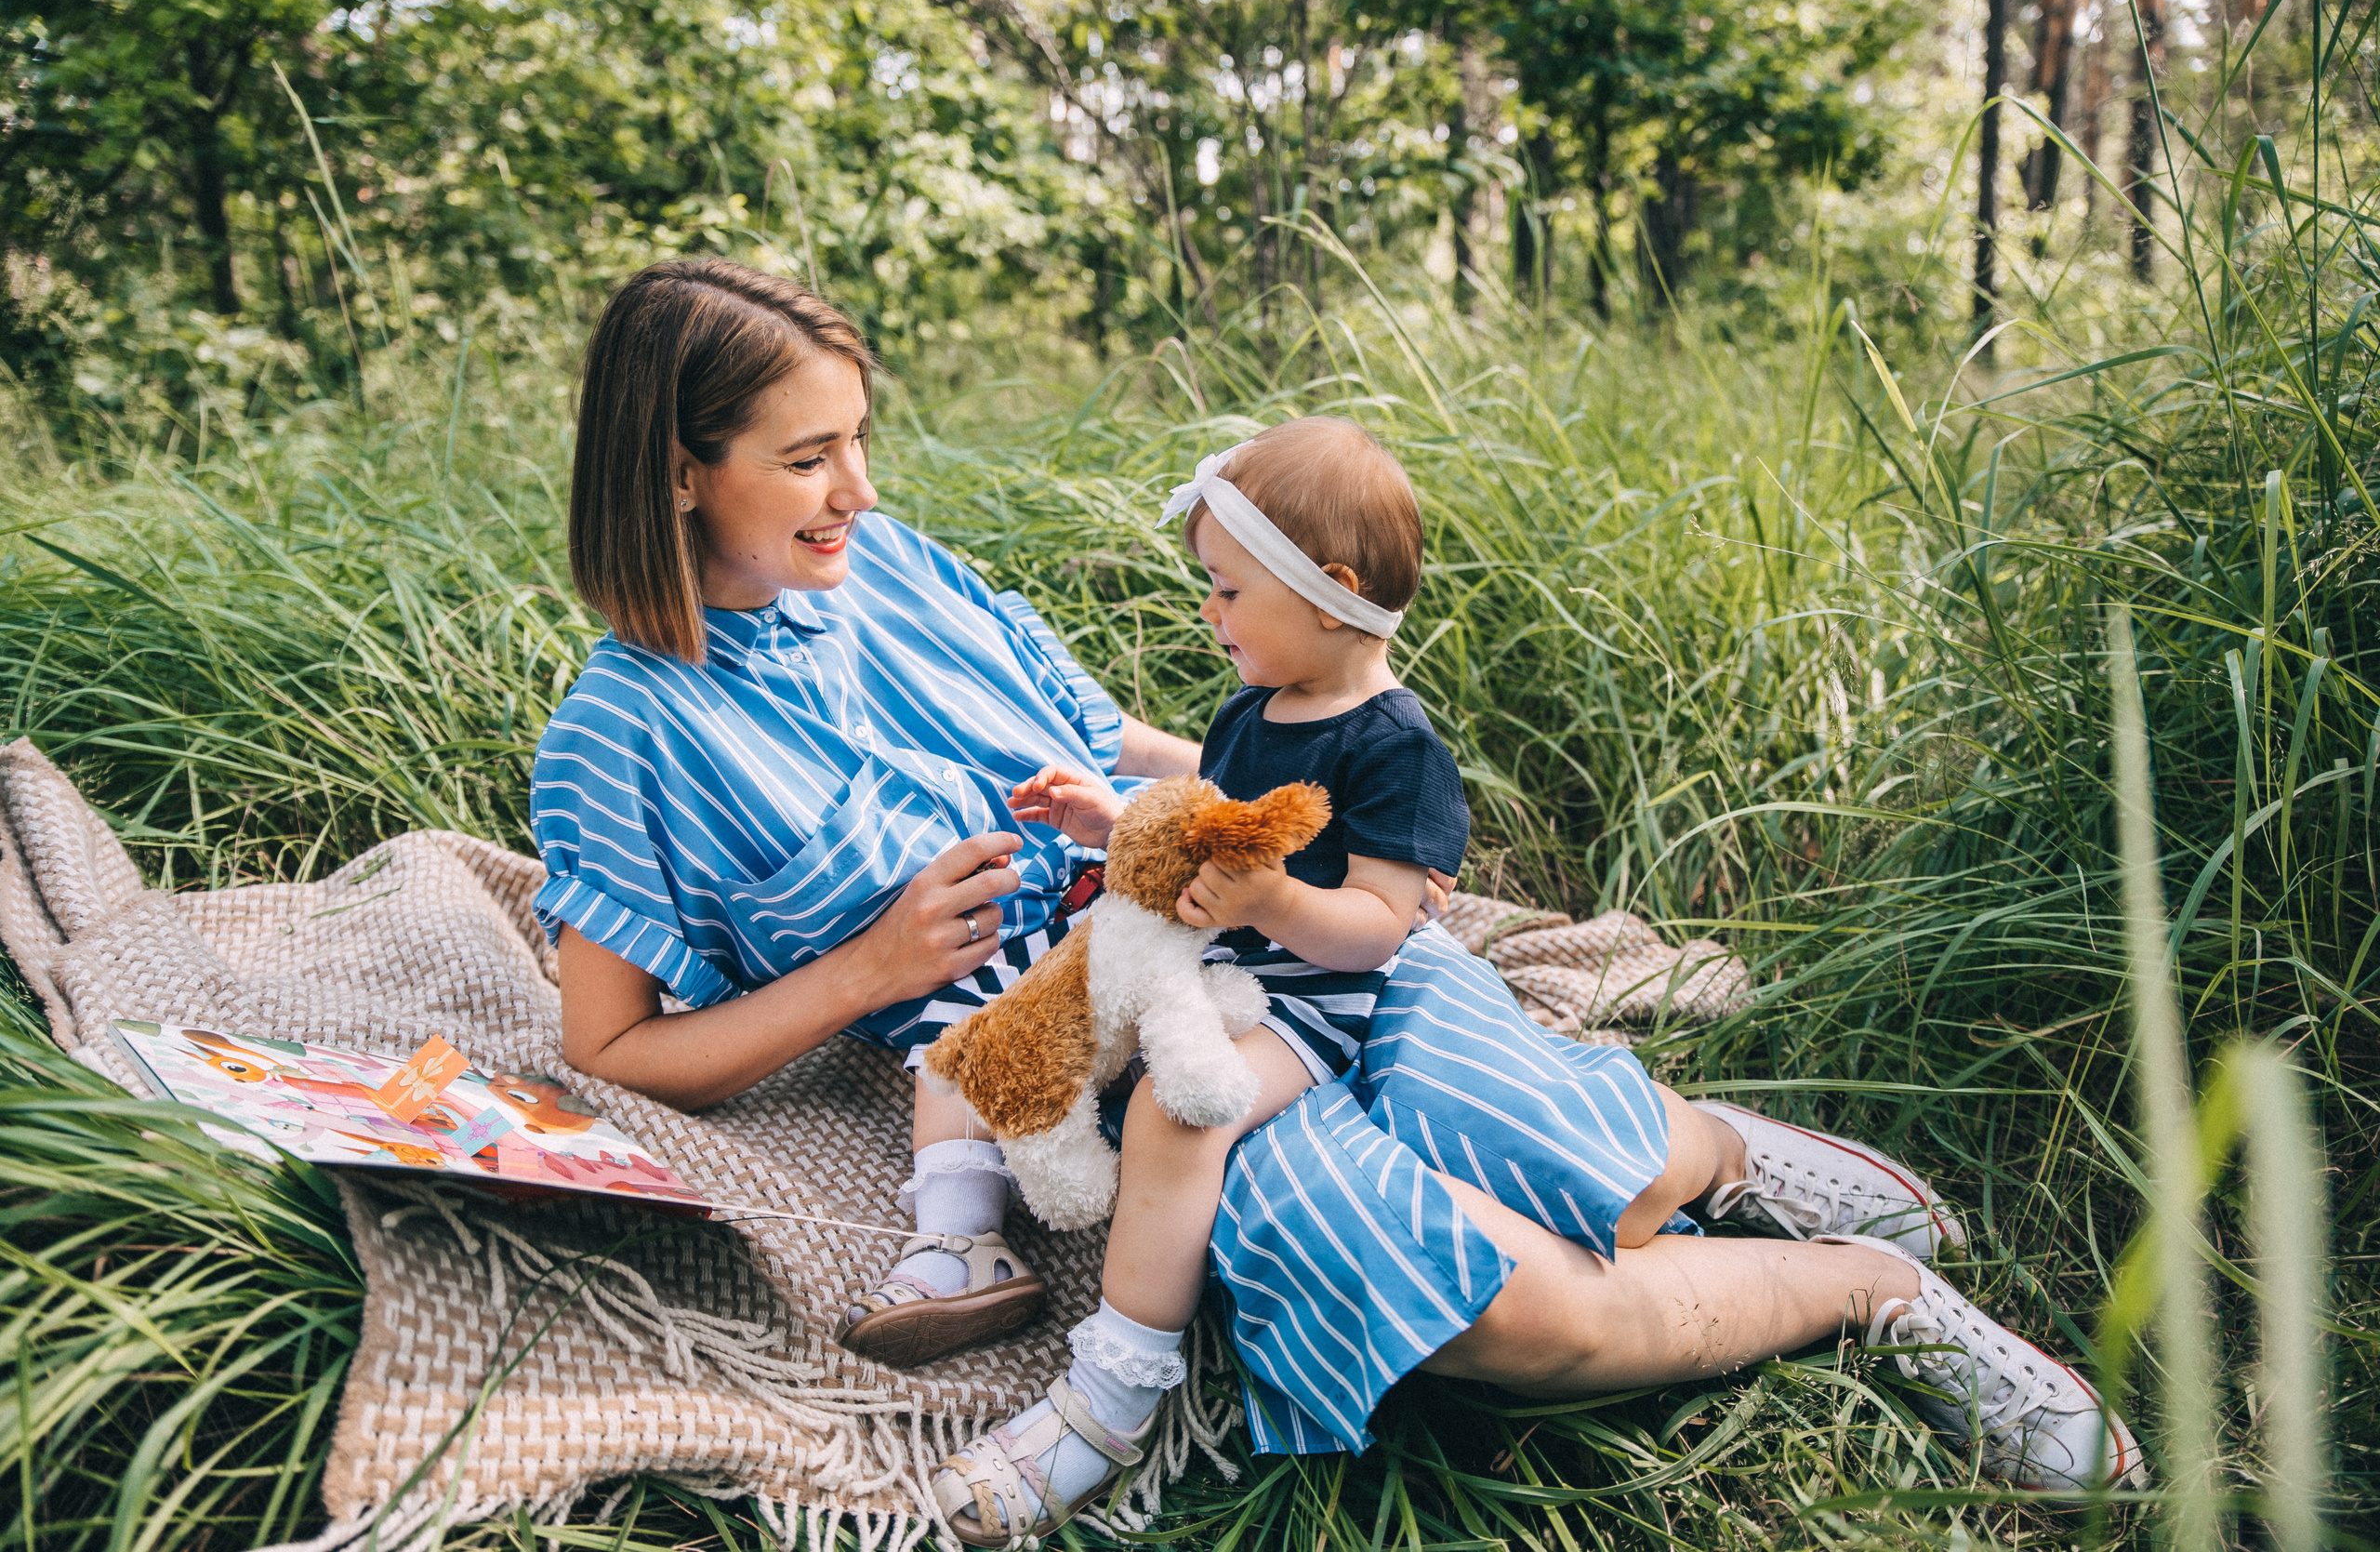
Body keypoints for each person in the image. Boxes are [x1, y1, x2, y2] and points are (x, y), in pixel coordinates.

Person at [532, 259, 2145, 1552]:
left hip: (1246, 921)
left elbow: (1119, 748)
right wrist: (863, 972)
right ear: (680, 475)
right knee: (1520, 1321)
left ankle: (1712, 1148)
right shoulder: (625, 732)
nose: (859, 492)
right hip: (1124, 1048)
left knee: (1573, 1143)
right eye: (809, 459)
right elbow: (609, 1048)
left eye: (859, 440)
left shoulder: (888, 568)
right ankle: (1878, 1301)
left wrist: (1327, 828)